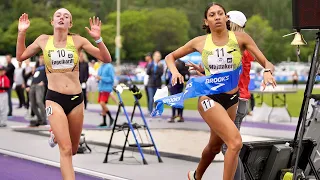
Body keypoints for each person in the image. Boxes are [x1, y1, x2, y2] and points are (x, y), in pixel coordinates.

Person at [165, 3, 276, 180]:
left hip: (232, 99)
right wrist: (175, 71)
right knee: (235, 142)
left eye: (220, 13)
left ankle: (195, 175)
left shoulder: (241, 39)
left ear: (226, 18)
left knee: (215, 146)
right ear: (206, 21)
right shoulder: (199, 42)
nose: (216, 17)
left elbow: (266, 62)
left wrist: (268, 72)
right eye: (212, 15)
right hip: (209, 98)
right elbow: (170, 57)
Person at [16, 9, 112, 180]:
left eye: (66, 16)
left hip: (76, 99)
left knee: (74, 149)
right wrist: (22, 33)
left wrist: (98, 39)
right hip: (54, 99)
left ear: (70, 24)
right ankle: (57, 131)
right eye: (58, 15)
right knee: (65, 149)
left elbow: (106, 58)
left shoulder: (77, 40)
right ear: (52, 22)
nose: (62, 17)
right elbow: (21, 56)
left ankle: (56, 133)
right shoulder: (43, 40)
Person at [96, 61, 115, 127]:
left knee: (102, 103)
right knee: (102, 106)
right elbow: (99, 76)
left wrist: (101, 78)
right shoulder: (101, 66)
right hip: (101, 88)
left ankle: (111, 118)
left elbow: (111, 79)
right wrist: (98, 79)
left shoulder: (109, 66)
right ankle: (104, 122)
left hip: (107, 88)